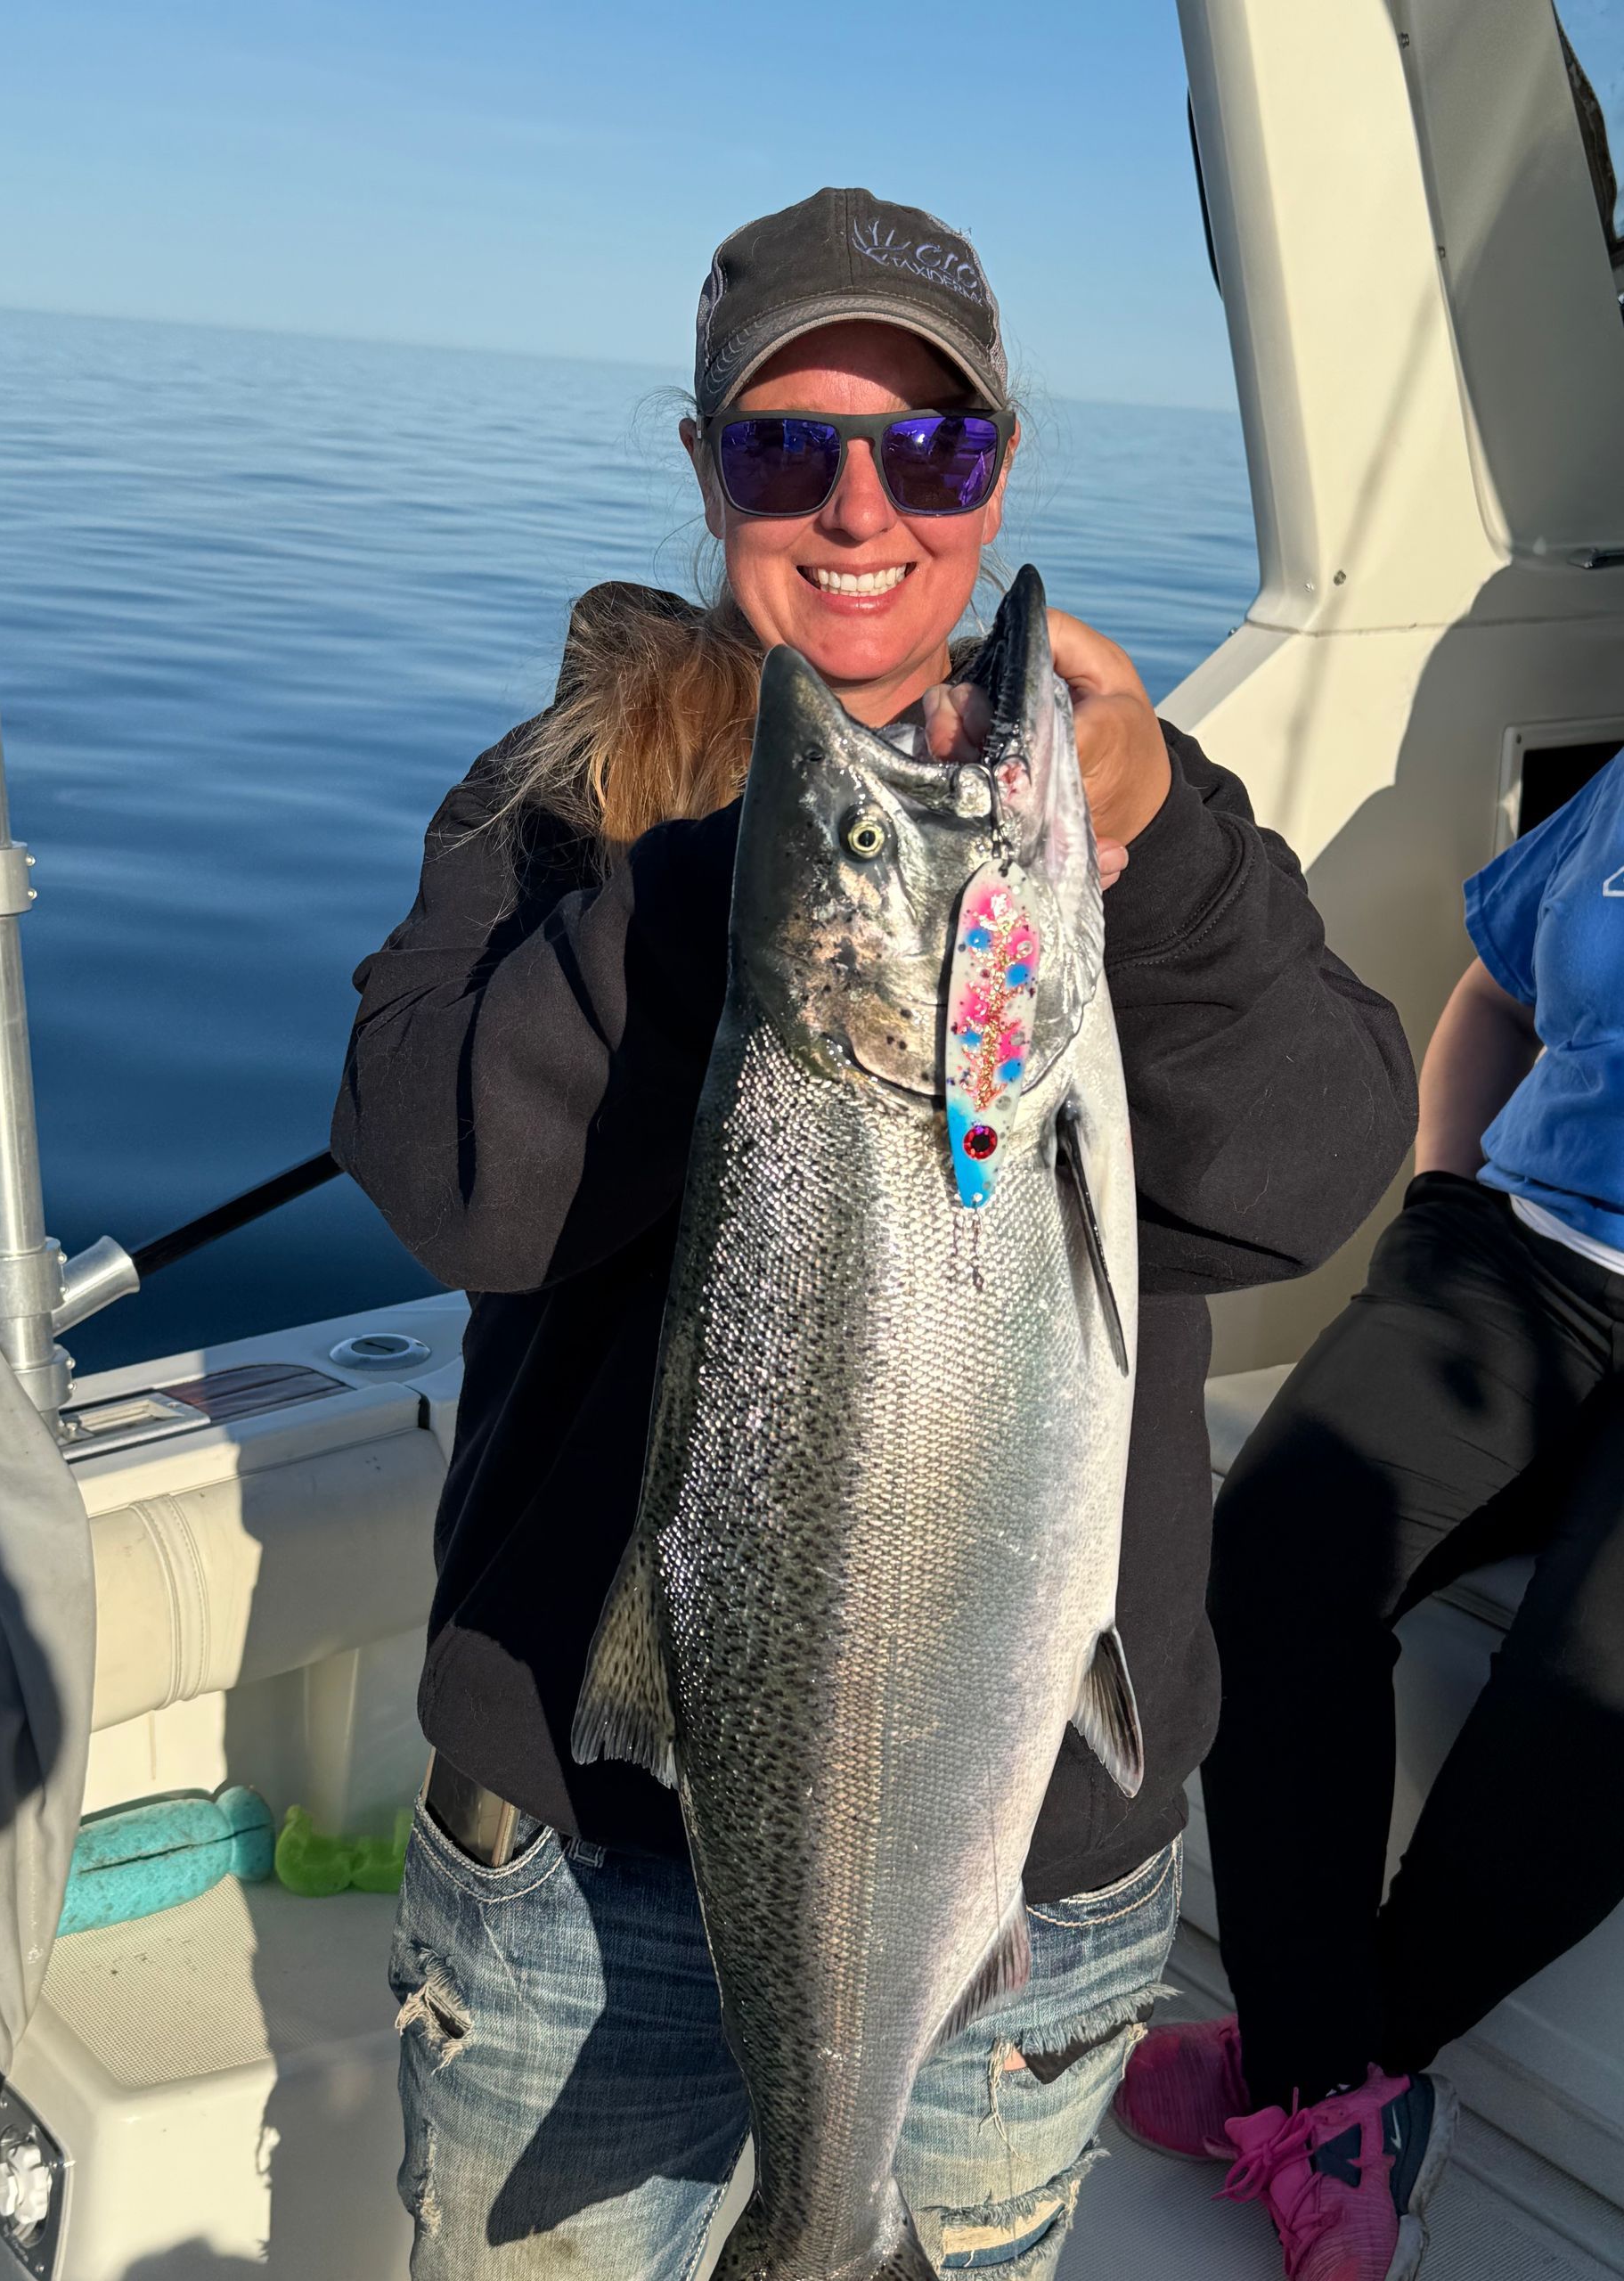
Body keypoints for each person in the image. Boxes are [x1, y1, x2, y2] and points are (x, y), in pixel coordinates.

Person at [332, 186, 1416, 2278]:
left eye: (929, 451)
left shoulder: (1125, 829)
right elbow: (442, 1163)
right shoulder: (562, 803)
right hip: (585, 1865)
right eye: (782, 448)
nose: (858, 508)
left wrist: (1162, 852)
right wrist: (753, 871)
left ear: (995, 479)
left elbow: (1309, 1162)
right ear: (705, 472)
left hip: (1029, 1852)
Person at [1116, 748, 1624, 2281]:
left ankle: (1320, 2064)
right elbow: (1500, 994)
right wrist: (1443, 1199)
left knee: (1592, 1701)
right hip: (1517, 1258)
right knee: (1269, 1560)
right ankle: (1325, 2081)